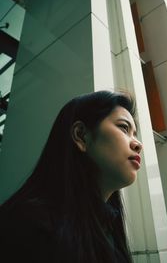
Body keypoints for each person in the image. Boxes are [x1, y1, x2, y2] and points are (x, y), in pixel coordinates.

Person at [0, 90, 142, 263]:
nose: (138, 144)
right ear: (81, 135)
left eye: (135, 133)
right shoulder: (24, 224)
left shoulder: (109, 230)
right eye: (123, 128)